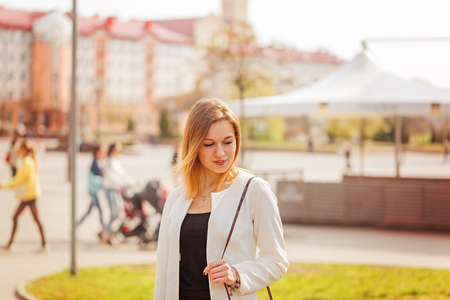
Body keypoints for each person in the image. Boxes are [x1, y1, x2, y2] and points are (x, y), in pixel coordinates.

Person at [154, 98, 289, 300]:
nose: (220, 153)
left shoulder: (255, 191)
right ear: (194, 146)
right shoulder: (176, 198)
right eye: (209, 144)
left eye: (228, 142)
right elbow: (164, 271)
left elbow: (277, 260)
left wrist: (237, 274)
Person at [0, 140, 48, 252]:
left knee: (19, 218)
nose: (18, 151)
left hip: (29, 195)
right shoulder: (29, 160)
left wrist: (3, 184)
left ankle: (43, 244)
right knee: (32, 219)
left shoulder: (26, 162)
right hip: (30, 194)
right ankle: (43, 244)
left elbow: (18, 179)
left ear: (24, 150)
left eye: (20, 149)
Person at [102, 142, 135, 245]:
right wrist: (125, 183)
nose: (120, 151)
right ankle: (107, 234)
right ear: (113, 149)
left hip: (116, 190)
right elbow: (111, 177)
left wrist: (132, 181)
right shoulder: (108, 161)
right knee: (115, 213)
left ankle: (107, 233)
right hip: (110, 189)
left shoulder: (116, 161)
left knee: (117, 214)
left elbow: (123, 174)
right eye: (118, 148)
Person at [76, 144, 108, 243]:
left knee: (88, 212)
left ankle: (74, 228)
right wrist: (103, 181)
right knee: (100, 211)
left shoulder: (99, 161)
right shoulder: (94, 162)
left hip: (95, 190)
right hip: (93, 191)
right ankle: (105, 231)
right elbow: (92, 178)